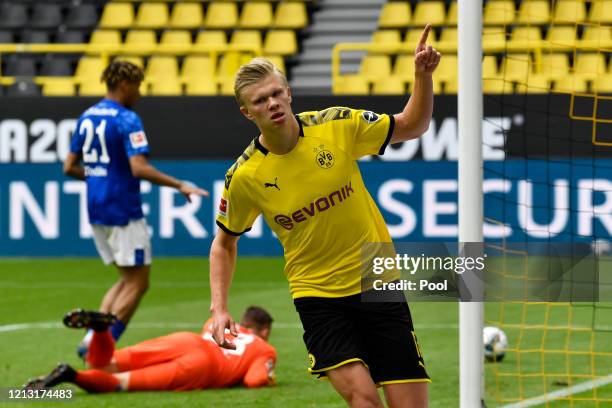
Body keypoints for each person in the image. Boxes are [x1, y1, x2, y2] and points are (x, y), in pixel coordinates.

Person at [210, 24, 440, 408]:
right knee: (364, 400)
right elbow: (223, 244)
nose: (272, 104)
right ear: (246, 112)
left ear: (288, 92)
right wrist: (219, 309)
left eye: (275, 93)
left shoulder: (336, 125)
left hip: (376, 277)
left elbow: (412, 125)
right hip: (317, 293)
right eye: (260, 100)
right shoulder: (245, 176)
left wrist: (422, 76)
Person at [63, 61, 209, 358]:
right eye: (138, 87)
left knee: (127, 278)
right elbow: (139, 168)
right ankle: (101, 348)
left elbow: (69, 167)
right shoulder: (127, 119)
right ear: (125, 84)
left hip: (96, 206)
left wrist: (98, 178)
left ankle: (92, 336)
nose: (139, 94)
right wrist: (179, 185)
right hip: (122, 207)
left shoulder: (87, 116)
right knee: (139, 282)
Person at [24, 306, 276, 392]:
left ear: (244, 321)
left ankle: (100, 330)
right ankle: (70, 375)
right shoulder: (264, 348)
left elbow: (210, 336)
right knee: (118, 381)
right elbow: (255, 380)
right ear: (263, 331)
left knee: (101, 364)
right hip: (203, 366)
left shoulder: (217, 322)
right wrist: (269, 378)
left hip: (186, 341)